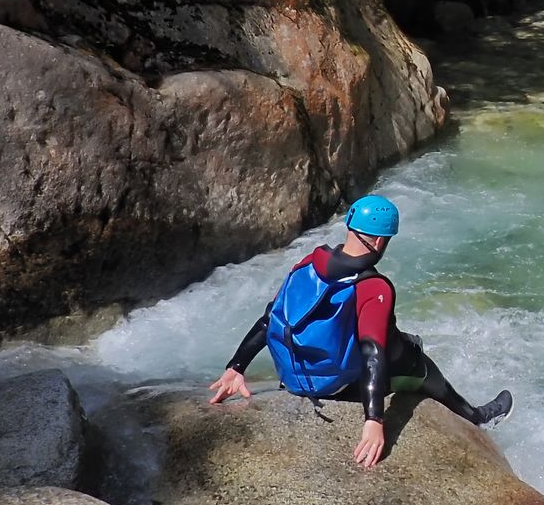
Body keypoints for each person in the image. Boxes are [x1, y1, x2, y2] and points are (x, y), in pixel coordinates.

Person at [208, 194, 513, 468]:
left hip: (295, 378)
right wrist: (374, 420)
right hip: (340, 385)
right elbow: (373, 354)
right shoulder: (372, 286)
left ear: (350, 225)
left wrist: (236, 368)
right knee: (422, 365)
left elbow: (270, 320)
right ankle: (478, 418)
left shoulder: (309, 263)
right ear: (381, 242)